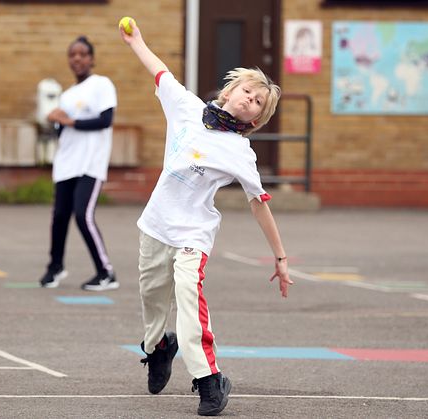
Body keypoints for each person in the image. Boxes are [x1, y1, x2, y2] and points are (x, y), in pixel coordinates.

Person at [120, 21, 294, 416]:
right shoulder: (187, 108)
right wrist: (137, 41)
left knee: (187, 296)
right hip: (156, 224)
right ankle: (158, 347)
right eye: (247, 91)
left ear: (255, 119)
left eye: (257, 102)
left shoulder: (240, 151)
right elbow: (160, 70)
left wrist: (280, 257)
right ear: (229, 90)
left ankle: (209, 381)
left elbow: (258, 203)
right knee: (151, 299)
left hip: (192, 235)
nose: (249, 99)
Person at [39, 36, 119, 291]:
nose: (77, 58)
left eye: (82, 54)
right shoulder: (67, 94)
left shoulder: (102, 84)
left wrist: (70, 121)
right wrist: (55, 119)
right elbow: (62, 132)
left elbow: (105, 120)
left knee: (83, 215)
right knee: (60, 217)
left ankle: (106, 272)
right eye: (72, 54)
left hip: (90, 164)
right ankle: (55, 267)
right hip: (66, 163)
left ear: (92, 59)